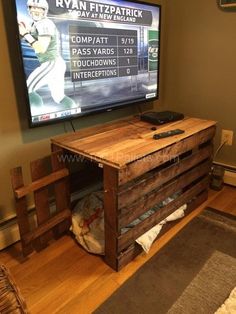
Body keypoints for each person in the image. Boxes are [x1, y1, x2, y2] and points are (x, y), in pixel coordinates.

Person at [18, 0, 79, 111]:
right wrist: (26, 34)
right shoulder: (36, 24)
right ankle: (75, 110)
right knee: (59, 97)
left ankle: (37, 113)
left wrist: (26, 34)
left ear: (44, 11)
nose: (35, 10)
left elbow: (41, 48)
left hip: (51, 63)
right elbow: (35, 43)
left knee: (27, 90)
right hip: (55, 63)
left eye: (39, 8)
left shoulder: (44, 23)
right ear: (29, 9)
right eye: (32, 8)